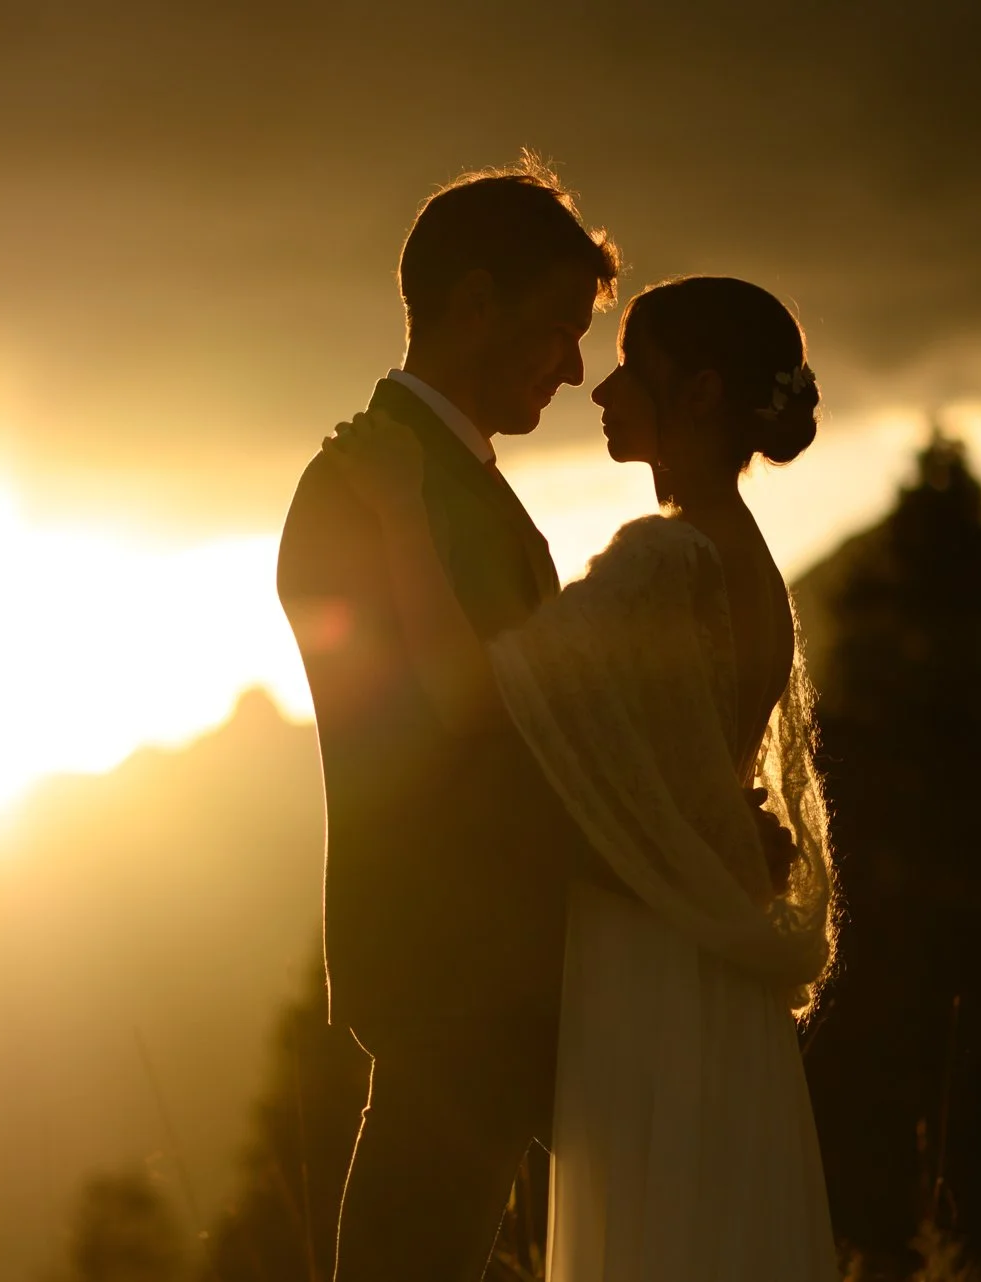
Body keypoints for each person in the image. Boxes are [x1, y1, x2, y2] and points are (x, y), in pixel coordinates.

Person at [325, 274, 839, 1280]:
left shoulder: (667, 564)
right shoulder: (750, 565)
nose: (598, 393)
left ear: (695, 395)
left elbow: (474, 699)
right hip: (704, 964)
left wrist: (397, 514)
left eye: (628, 373)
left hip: (643, 957)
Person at [275, 157, 622, 1282]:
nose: (576, 369)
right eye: (561, 328)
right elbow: (469, 721)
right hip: (455, 967)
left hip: (489, 968)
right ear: (475, 303)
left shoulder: (450, 478)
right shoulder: (378, 485)